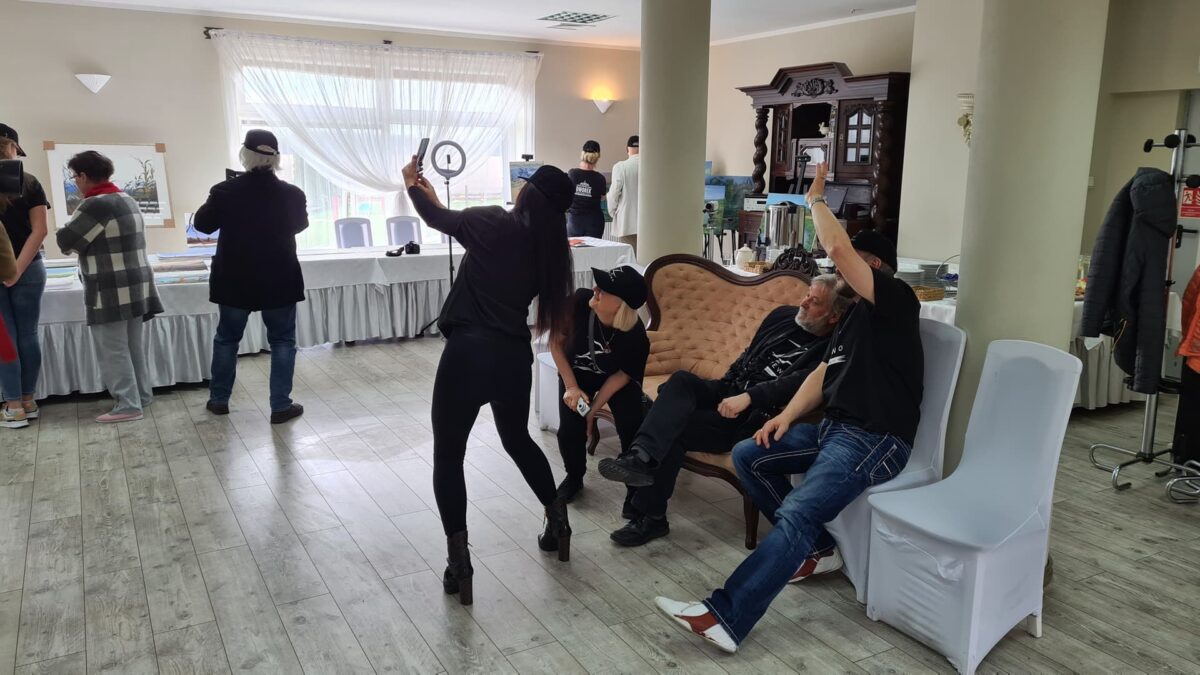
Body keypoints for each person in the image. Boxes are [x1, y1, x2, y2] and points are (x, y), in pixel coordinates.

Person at [652, 162, 923, 654]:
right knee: (748, 454)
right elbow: (822, 375)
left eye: (852, 261)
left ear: (874, 267)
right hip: (836, 430)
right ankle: (819, 549)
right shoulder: (853, 319)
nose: (837, 267)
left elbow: (837, 248)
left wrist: (815, 197)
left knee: (797, 511)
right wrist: (784, 416)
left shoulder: (897, 302)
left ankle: (726, 617)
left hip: (876, 438)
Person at [403, 155, 576, 607]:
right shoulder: (551, 251)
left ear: (528, 192)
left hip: (466, 355)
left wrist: (412, 186)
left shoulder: (492, 221)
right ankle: (558, 522)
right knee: (518, 440)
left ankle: (459, 562)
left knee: (449, 455)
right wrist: (432, 197)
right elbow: (447, 216)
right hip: (512, 356)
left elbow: (436, 219)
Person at [598, 275, 847, 546]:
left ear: (833, 316)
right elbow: (748, 355)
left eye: (815, 301)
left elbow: (794, 384)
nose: (804, 302)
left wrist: (748, 397)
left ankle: (651, 516)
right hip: (727, 389)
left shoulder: (832, 349)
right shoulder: (783, 317)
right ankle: (640, 458)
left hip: (748, 416)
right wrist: (728, 386)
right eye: (807, 294)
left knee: (672, 425)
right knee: (680, 381)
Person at [194, 130, 308, 424]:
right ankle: (280, 406)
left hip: (235, 278)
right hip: (279, 276)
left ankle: (219, 400)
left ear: (244, 155)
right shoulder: (293, 194)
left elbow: (203, 225)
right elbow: (299, 225)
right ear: (277, 158)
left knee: (227, 340)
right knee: (282, 341)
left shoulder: (225, 190)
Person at [56, 151, 163, 424]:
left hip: (109, 287)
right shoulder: (126, 198)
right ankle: (141, 396)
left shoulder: (95, 204)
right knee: (133, 346)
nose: (75, 182)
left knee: (112, 349)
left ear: (83, 176)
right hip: (136, 284)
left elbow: (66, 241)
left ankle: (127, 405)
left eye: (75, 177)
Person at [551, 265, 649, 503]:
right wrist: (571, 387)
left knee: (631, 423)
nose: (596, 289)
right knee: (569, 430)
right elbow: (555, 343)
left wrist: (593, 411)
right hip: (577, 376)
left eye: (604, 289)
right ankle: (574, 477)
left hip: (613, 378)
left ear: (620, 304)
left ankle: (634, 490)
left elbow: (621, 376)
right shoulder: (578, 303)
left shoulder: (635, 336)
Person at [0, 126, 49, 429]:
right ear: (14, 149)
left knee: (4, 338)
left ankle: (13, 405)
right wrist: (17, 268)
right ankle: (28, 401)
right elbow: (40, 230)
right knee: (28, 333)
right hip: (31, 267)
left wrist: (9, 268)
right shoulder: (30, 182)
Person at [566, 140, 608, 238]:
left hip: (574, 222)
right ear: (597, 157)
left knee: (574, 248)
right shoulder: (600, 178)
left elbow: (567, 194)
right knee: (594, 248)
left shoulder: (572, 174)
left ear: (582, 154)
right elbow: (602, 197)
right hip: (594, 222)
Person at [608, 135, 640, 253]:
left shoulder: (620, 167)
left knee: (630, 258)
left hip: (627, 221)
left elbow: (614, 192)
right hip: (650, 224)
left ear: (627, 149)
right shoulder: (652, 166)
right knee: (649, 260)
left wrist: (613, 212)